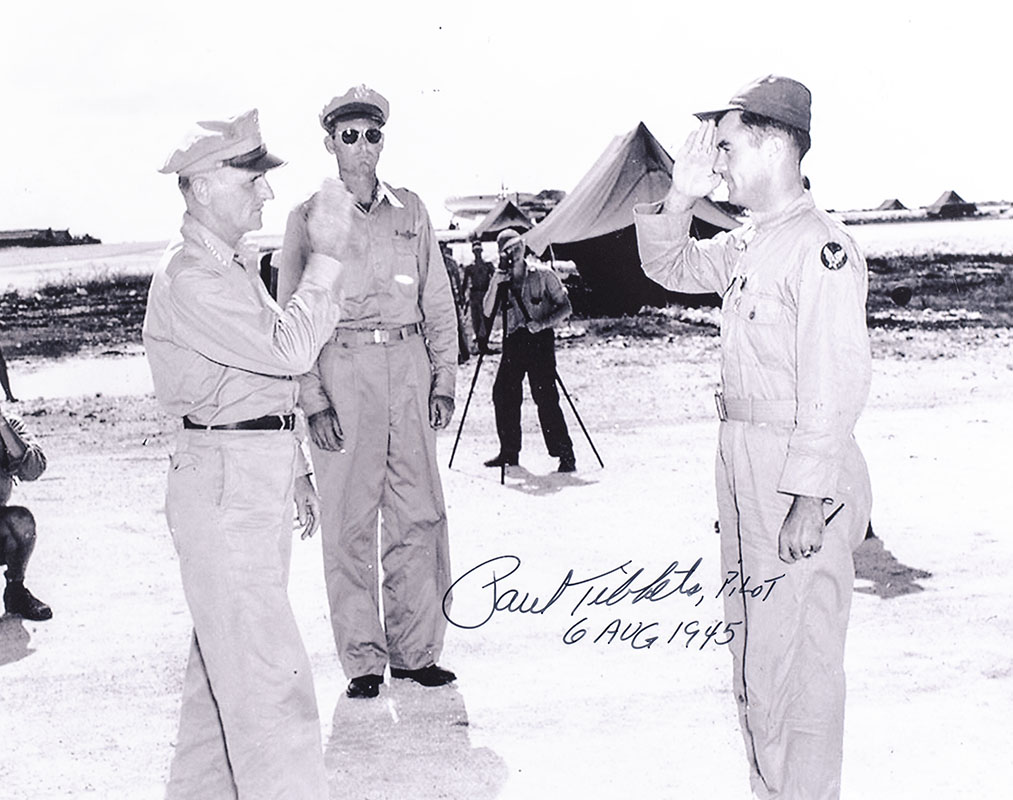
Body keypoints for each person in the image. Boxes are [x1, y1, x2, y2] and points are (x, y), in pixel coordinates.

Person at [634, 75, 872, 799]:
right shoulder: (749, 244)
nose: (718, 162)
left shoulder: (820, 249)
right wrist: (680, 199)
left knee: (799, 665)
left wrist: (809, 497)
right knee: (755, 655)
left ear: (773, 146)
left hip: (795, 473)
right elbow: (667, 265)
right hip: (745, 464)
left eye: (727, 147)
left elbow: (834, 382)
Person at [143, 108, 354, 799]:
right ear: (203, 187)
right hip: (225, 483)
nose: (266, 192)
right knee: (269, 688)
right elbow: (288, 349)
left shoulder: (226, 265)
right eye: (250, 180)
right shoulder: (192, 276)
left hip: (240, 474)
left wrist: (294, 467)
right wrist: (326, 256)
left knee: (222, 679)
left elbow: (254, 382)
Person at [275, 85, 458, 701]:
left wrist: (443, 380)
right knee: (349, 524)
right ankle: (362, 662)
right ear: (330, 143)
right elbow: (291, 318)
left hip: (407, 368)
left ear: (383, 141)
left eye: (371, 135)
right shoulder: (307, 218)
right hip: (342, 370)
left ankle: (415, 653)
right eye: (348, 135)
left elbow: (438, 302)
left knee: (418, 515)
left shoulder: (412, 211)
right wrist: (313, 401)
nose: (361, 146)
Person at [482, 228, 576, 473]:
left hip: (539, 341)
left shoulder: (543, 274)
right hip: (514, 341)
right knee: (503, 394)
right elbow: (487, 310)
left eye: (518, 246)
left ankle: (565, 454)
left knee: (545, 397)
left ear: (524, 245)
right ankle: (509, 452)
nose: (515, 252)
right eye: (509, 250)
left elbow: (566, 307)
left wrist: (542, 323)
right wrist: (496, 280)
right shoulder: (502, 279)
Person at [1, 405, 50, 621]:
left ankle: (16, 592)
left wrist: (2, 426)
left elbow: (34, 469)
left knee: (20, 523)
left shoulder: (8, 425)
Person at [440, 241, 471, 364]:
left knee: (457, 325)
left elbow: (457, 279)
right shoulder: (434, 263)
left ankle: (464, 353)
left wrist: (460, 296)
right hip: (439, 298)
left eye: (442, 248)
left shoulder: (450, 262)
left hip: (451, 296)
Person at [463, 239, 493, 352]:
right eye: (475, 251)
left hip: (485, 294)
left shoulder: (487, 265)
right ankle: (480, 345)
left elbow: (494, 279)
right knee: (476, 319)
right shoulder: (470, 267)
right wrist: (462, 296)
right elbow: (465, 283)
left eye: (479, 251)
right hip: (474, 295)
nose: (477, 253)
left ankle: (484, 343)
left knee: (485, 319)